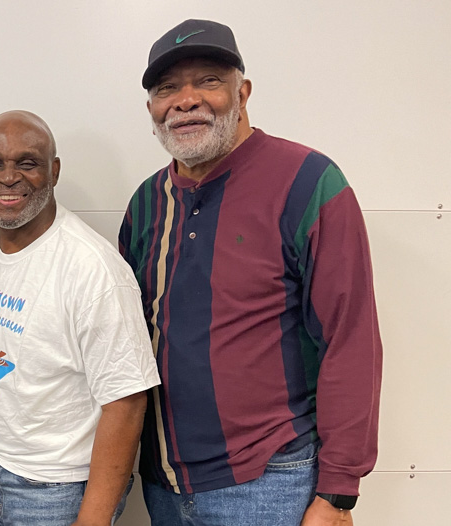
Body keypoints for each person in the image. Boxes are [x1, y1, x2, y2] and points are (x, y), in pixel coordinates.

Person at [118, 19, 383, 526]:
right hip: (164, 484)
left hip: (270, 483)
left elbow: (350, 340)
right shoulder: (147, 203)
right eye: (166, 88)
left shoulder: (308, 182)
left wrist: (338, 492)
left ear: (243, 92)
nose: (186, 99)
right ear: (151, 108)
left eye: (208, 81)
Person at [0, 110, 161, 525]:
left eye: (28, 163)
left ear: (53, 170)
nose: (8, 177)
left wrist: (92, 519)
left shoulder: (93, 268)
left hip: (59, 493)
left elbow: (126, 403)